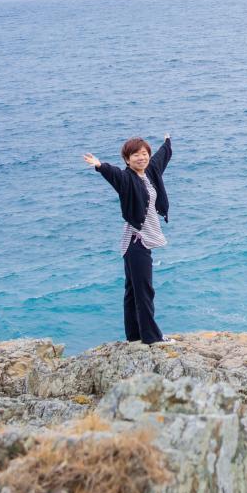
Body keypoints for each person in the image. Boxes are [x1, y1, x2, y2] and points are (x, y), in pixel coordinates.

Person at [83, 134, 173, 345]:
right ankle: (151, 337)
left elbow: (161, 158)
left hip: (137, 242)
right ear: (127, 160)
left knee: (133, 290)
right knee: (144, 290)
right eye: (136, 155)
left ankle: (134, 336)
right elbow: (114, 174)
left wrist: (167, 143)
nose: (142, 158)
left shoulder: (150, 172)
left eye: (144, 154)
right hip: (137, 242)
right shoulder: (127, 178)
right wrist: (100, 165)